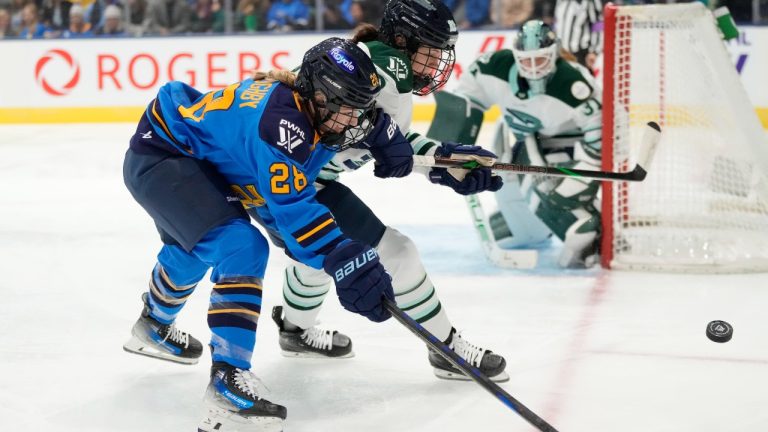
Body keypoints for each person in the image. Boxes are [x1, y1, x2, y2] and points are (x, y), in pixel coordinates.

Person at [122, 37, 401, 431]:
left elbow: (289, 223)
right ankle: (227, 385)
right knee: (240, 246)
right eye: (350, 109)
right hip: (164, 157)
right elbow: (295, 217)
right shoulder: (283, 128)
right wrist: (344, 257)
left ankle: (152, 322)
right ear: (321, 99)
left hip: (194, 158)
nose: (356, 121)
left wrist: (383, 134)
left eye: (362, 111)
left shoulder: (308, 111)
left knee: (196, 249)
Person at [262, 0, 509, 382]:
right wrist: (438, 162)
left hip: (295, 182)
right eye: (430, 53)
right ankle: (445, 349)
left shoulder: (378, 68)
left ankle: (294, 332)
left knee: (319, 253)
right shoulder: (383, 73)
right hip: (281, 185)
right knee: (398, 253)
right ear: (401, 40)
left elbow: (384, 139)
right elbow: (373, 137)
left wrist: (443, 162)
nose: (436, 65)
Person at [429, 19, 603, 268]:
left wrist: (583, 175)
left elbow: (599, 130)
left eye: (540, 60)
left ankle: (588, 230)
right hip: (525, 144)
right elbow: (468, 99)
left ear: (553, 55)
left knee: (550, 196)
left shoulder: (574, 82)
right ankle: (528, 229)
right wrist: (455, 144)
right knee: (514, 214)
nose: (533, 69)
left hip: (567, 147)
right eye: (526, 61)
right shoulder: (493, 67)